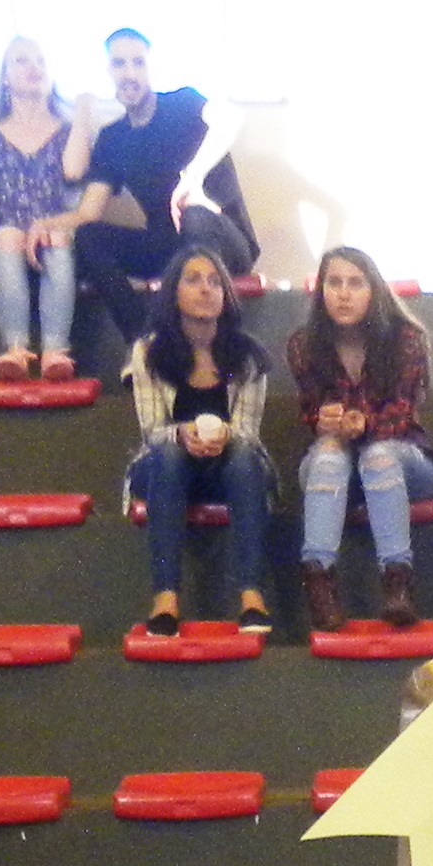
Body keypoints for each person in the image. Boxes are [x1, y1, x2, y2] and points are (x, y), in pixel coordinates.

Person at [67, 27, 253, 354]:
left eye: (138, 63)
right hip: (169, 246)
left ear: (151, 68)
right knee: (88, 236)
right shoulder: (113, 137)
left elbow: (231, 119)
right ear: (109, 71)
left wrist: (192, 177)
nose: (129, 73)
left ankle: (204, 346)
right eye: (119, 64)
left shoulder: (183, 103)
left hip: (224, 238)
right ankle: (146, 341)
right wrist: (41, 227)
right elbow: (87, 214)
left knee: (194, 213)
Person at [122, 248, 271, 632]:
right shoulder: (148, 352)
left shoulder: (247, 355)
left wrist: (224, 434)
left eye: (214, 282)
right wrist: (181, 432)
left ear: (226, 295)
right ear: (174, 292)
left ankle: (252, 597)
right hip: (166, 466)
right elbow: (152, 430)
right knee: (170, 453)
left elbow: (248, 431)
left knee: (243, 455)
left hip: (229, 464)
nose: (205, 289)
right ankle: (165, 599)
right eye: (192, 280)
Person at [284, 247, 431, 634]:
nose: (344, 294)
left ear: (374, 290)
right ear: (321, 290)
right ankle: (320, 584)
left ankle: (398, 582)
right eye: (334, 283)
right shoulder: (303, 344)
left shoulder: (406, 339)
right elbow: (309, 412)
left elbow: (402, 414)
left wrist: (363, 424)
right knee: (329, 456)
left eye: (355, 283)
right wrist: (323, 420)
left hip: (404, 457)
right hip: (336, 466)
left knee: (377, 455)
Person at [0, 35, 90, 382]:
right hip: (7, 241)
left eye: (41, 61)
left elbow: (74, 170)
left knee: (55, 237)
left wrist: (83, 115)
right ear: (5, 78)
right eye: (22, 60)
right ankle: (16, 349)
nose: (34, 68)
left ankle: (55, 351)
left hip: (58, 236)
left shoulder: (67, 129)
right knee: (8, 235)